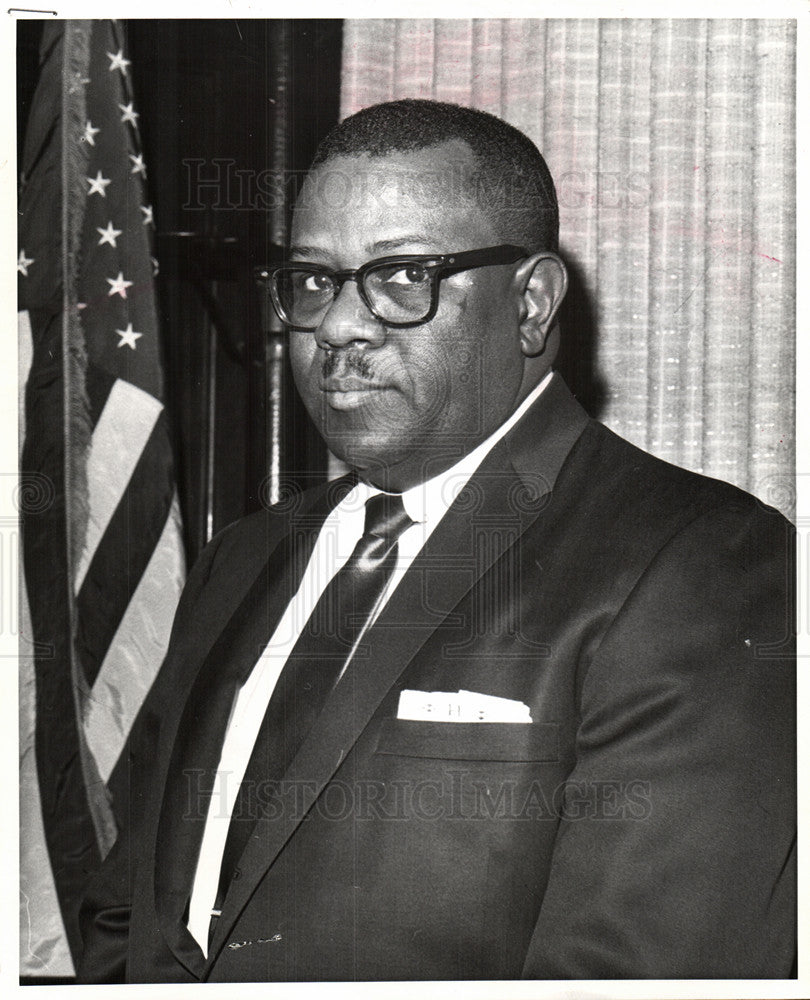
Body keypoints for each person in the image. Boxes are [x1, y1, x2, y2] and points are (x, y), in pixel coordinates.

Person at [77, 99, 795, 983]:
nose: (338, 325)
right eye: (313, 280)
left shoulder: (701, 565)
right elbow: (128, 913)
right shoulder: (245, 558)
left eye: (404, 275)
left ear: (531, 304)